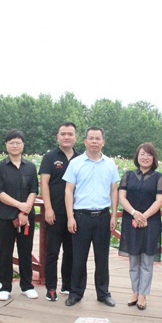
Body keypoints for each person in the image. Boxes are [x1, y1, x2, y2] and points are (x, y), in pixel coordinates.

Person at [63, 127, 120, 307]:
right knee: (78, 258)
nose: (94, 141)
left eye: (98, 138)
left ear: (103, 142)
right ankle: (75, 293)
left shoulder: (110, 164)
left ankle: (103, 293)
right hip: (81, 216)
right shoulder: (76, 163)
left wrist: (114, 215)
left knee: (102, 258)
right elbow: (68, 191)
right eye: (91, 138)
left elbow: (114, 190)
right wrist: (70, 217)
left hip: (103, 216)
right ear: (85, 141)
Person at [118, 143, 162, 310]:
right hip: (130, 220)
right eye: (142, 154)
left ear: (154, 158)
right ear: (137, 157)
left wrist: (143, 216)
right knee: (133, 259)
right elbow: (122, 197)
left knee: (146, 260)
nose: (145, 157)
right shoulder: (128, 175)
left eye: (149, 154)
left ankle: (143, 294)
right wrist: (134, 213)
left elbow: (159, 201)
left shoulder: (159, 178)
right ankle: (134, 291)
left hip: (150, 222)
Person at [0, 129, 39, 301]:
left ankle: (27, 286)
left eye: (18, 142)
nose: (14, 145)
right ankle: (5, 287)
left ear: (23, 145)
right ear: (6, 145)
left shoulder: (30, 167)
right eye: (11, 142)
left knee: (25, 251)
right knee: (5, 251)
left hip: (26, 217)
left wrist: (25, 210)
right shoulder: (0, 167)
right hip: (6, 216)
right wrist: (19, 206)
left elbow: (34, 190)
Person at [39, 122, 80, 301]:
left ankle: (67, 285)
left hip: (75, 214)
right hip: (55, 212)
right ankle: (51, 288)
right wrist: (48, 208)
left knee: (71, 252)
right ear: (57, 137)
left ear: (75, 137)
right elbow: (44, 183)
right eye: (63, 134)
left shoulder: (81, 158)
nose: (66, 137)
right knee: (52, 252)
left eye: (70, 134)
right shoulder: (50, 157)